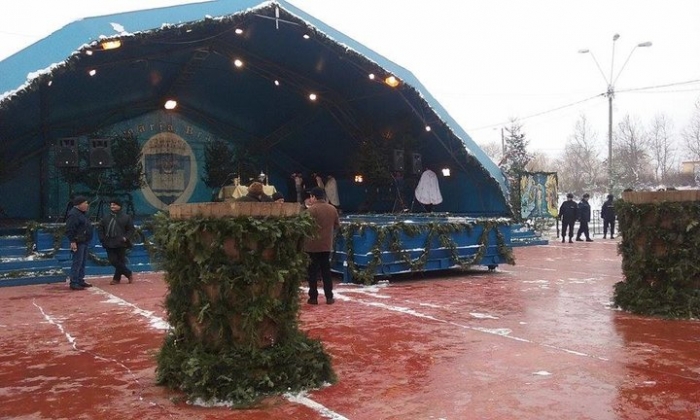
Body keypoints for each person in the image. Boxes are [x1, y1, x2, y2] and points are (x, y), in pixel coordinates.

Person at [304, 186, 340, 305]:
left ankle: (313, 297)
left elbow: (304, 227)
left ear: (314, 197)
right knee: (326, 272)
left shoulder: (310, 211)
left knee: (312, 273)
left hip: (311, 246)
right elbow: (337, 225)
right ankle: (329, 296)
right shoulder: (332, 209)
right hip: (326, 246)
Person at [97, 199, 135, 285]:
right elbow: (100, 229)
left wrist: (126, 238)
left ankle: (116, 279)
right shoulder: (105, 217)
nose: (112, 206)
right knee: (113, 260)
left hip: (121, 242)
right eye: (111, 205)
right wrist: (102, 239)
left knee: (120, 261)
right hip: (109, 242)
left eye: (114, 205)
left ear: (119, 206)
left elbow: (131, 230)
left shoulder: (126, 217)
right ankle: (128, 273)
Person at [65, 196, 94, 290]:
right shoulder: (73, 214)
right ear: (79, 204)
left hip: (84, 240)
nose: (87, 205)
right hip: (78, 242)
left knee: (82, 262)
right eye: (85, 203)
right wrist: (72, 241)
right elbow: (70, 229)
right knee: (77, 262)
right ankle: (74, 282)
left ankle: (80, 279)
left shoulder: (82, 213)